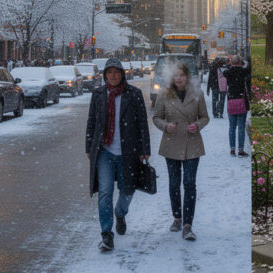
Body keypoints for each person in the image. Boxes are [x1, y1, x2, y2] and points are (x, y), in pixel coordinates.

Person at [85, 58, 150, 252]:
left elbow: (142, 124)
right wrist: (89, 146)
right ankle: (106, 234)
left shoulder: (134, 94)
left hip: (128, 152)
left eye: (116, 72)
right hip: (104, 151)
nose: (113, 76)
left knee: (127, 191)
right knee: (105, 192)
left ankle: (120, 213)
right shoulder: (98, 95)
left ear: (122, 74)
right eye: (109, 72)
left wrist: (145, 149)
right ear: (105, 75)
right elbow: (91, 121)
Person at [152, 63, 210, 240]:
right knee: (174, 183)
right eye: (176, 75)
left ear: (187, 77)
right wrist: (165, 126)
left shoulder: (197, 94)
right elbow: (156, 117)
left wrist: (197, 125)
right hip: (172, 143)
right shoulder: (164, 95)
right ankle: (177, 217)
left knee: (190, 183)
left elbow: (205, 117)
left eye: (182, 75)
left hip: (192, 144)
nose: (178, 78)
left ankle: (188, 224)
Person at [223, 55, 251, 157]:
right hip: (241, 101)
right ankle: (240, 150)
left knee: (232, 127)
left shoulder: (228, 73)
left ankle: (232, 149)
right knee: (241, 127)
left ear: (231, 62)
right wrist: (243, 63)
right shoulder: (243, 72)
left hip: (231, 101)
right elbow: (248, 68)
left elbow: (226, 71)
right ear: (240, 62)